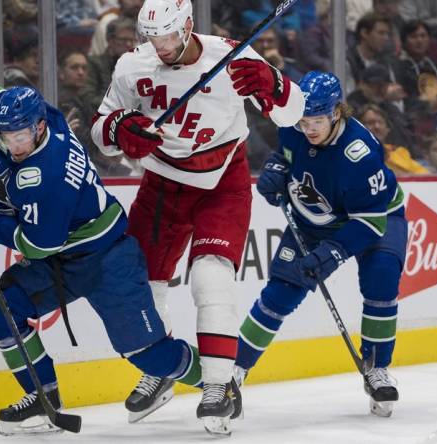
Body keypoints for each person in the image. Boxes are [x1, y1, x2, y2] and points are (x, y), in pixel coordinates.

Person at [0, 85, 205, 435]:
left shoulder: (47, 175)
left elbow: (38, 244)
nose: (12, 146)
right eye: (4, 136)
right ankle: (44, 396)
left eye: (20, 136)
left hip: (106, 260)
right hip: (63, 258)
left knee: (149, 356)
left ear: (38, 128)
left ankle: (217, 381)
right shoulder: (46, 115)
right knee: (2, 310)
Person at [90, 0, 304, 434]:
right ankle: (161, 367)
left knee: (211, 276)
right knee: (142, 287)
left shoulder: (233, 54)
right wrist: (119, 130)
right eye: (154, 38)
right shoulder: (133, 66)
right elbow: (100, 129)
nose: (162, 47)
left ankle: (219, 385)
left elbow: (293, 113)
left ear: (188, 26)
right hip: (162, 185)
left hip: (222, 179)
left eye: (169, 36)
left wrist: (274, 82)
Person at [235, 71, 407, 418]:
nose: (308, 128)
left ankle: (376, 366)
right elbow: (285, 154)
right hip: (313, 219)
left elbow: (370, 222)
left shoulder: (359, 154)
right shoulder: (291, 123)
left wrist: (332, 253)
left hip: (375, 217)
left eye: (317, 120)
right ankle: (233, 373)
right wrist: (275, 169)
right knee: (280, 293)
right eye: (303, 120)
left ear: (336, 113)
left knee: (382, 278)